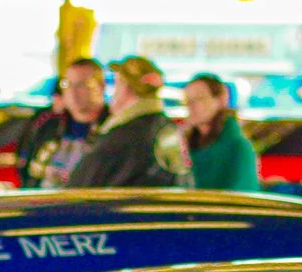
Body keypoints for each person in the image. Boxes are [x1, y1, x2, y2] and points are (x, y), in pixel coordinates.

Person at [66, 56, 192, 189]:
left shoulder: (125, 135)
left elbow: (79, 186)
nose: (113, 93)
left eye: (117, 84)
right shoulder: (166, 127)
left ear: (127, 87)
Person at [17, 58, 105, 188]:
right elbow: (27, 167)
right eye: (67, 84)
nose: (73, 92)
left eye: (82, 84)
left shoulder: (112, 129)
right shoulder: (47, 125)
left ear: (101, 86)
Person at [181, 72, 259, 192]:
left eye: (199, 98)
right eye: (188, 100)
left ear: (220, 100)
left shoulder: (238, 147)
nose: (192, 106)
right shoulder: (187, 146)